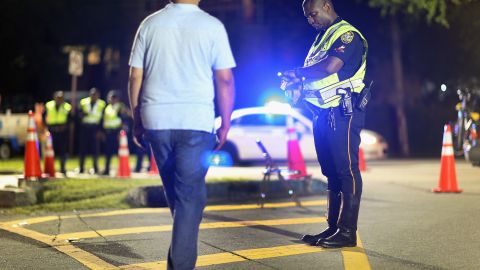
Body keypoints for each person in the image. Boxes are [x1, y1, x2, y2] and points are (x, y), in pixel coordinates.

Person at [128, 0, 236, 269]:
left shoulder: (149, 24)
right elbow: (224, 79)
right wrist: (225, 121)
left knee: (179, 196)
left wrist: (137, 118)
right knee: (190, 197)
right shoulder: (212, 26)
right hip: (195, 121)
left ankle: (177, 260)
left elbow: (134, 77)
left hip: (157, 119)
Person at [281, 0, 368, 248]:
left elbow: (331, 67)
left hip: (344, 111)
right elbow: (317, 78)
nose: (311, 20)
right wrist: (297, 89)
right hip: (323, 113)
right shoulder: (322, 39)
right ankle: (333, 228)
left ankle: (347, 231)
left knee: (346, 170)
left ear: (327, 6)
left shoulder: (347, 35)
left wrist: (297, 73)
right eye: (307, 17)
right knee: (330, 171)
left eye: (313, 14)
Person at [78, 88, 106, 174]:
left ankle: (95, 167)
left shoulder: (102, 104)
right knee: (83, 148)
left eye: (95, 94)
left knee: (95, 149)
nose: (94, 96)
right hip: (85, 127)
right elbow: (78, 113)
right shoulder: (83, 102)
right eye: (92, 94)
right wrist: (81, 115)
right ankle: (81, 167)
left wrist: (100, 131)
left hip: (95, 128)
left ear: (98, 95)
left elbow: (103, 118)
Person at [44, 91, 72, 175]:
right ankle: (51, 168)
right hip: (52, 131)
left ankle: (62, 168)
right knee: (51, 151)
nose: (59, 99)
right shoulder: (49, 105)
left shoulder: (67, 107)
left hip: (62, 132)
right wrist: (46, 126)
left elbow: (71, 119)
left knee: (63, 151)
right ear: (54, 98)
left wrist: (66, 126)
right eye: (58, 98)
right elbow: (43, 116)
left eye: (61, 98)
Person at [101, 90, 129, 175]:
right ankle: (107, 169)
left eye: (113, 98)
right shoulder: (107, 107)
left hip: (117, 132)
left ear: (117, 99)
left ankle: (120, 169)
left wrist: (121, 132)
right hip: (108, 132)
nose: (111, 99)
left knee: (119, 151)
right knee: (108, 152)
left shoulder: (120, 106)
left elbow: (124, 119)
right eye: (110, 98)